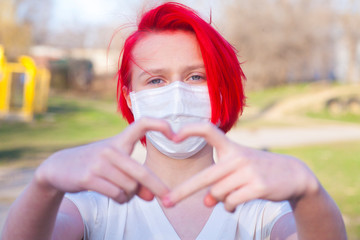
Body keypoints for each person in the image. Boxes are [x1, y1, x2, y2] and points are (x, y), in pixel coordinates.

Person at [1, 2, 347, 240]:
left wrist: (309, 193)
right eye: (155, 80)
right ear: (129, 95)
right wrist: (44, 184)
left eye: (197, 77)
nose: (177, 94)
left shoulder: (258, 204)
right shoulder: (97, 201)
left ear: (222, 89)